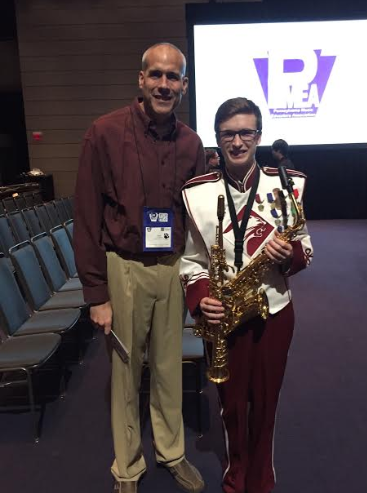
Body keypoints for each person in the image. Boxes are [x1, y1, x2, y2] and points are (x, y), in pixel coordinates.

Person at [74, 43, 206, 493]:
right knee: (126, 374)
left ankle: (172, 452)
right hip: (123, 267)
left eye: (173, 77)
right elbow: (88, 217)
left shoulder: (191, 143)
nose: (164, 84)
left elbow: (196, 217)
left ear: (184, 86)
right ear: (141, 79)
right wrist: (96, 294)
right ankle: (127, 466)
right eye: (156, 75)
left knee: (169, 368)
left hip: (170, 267)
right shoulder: (104, 132)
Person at [180, 98, 313, 493]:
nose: (237, 142)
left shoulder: (288, 184)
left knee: (266, 401)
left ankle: (261, 477)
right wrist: (201, 297)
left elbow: (305, 246)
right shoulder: (196, 193)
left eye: (246, 133)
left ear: (258, 135)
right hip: (224, 316)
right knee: (232, 405)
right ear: (217, 138)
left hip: (274, 310)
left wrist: (288, 254)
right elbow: (190, 261)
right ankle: (236, 473)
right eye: (228, 134)